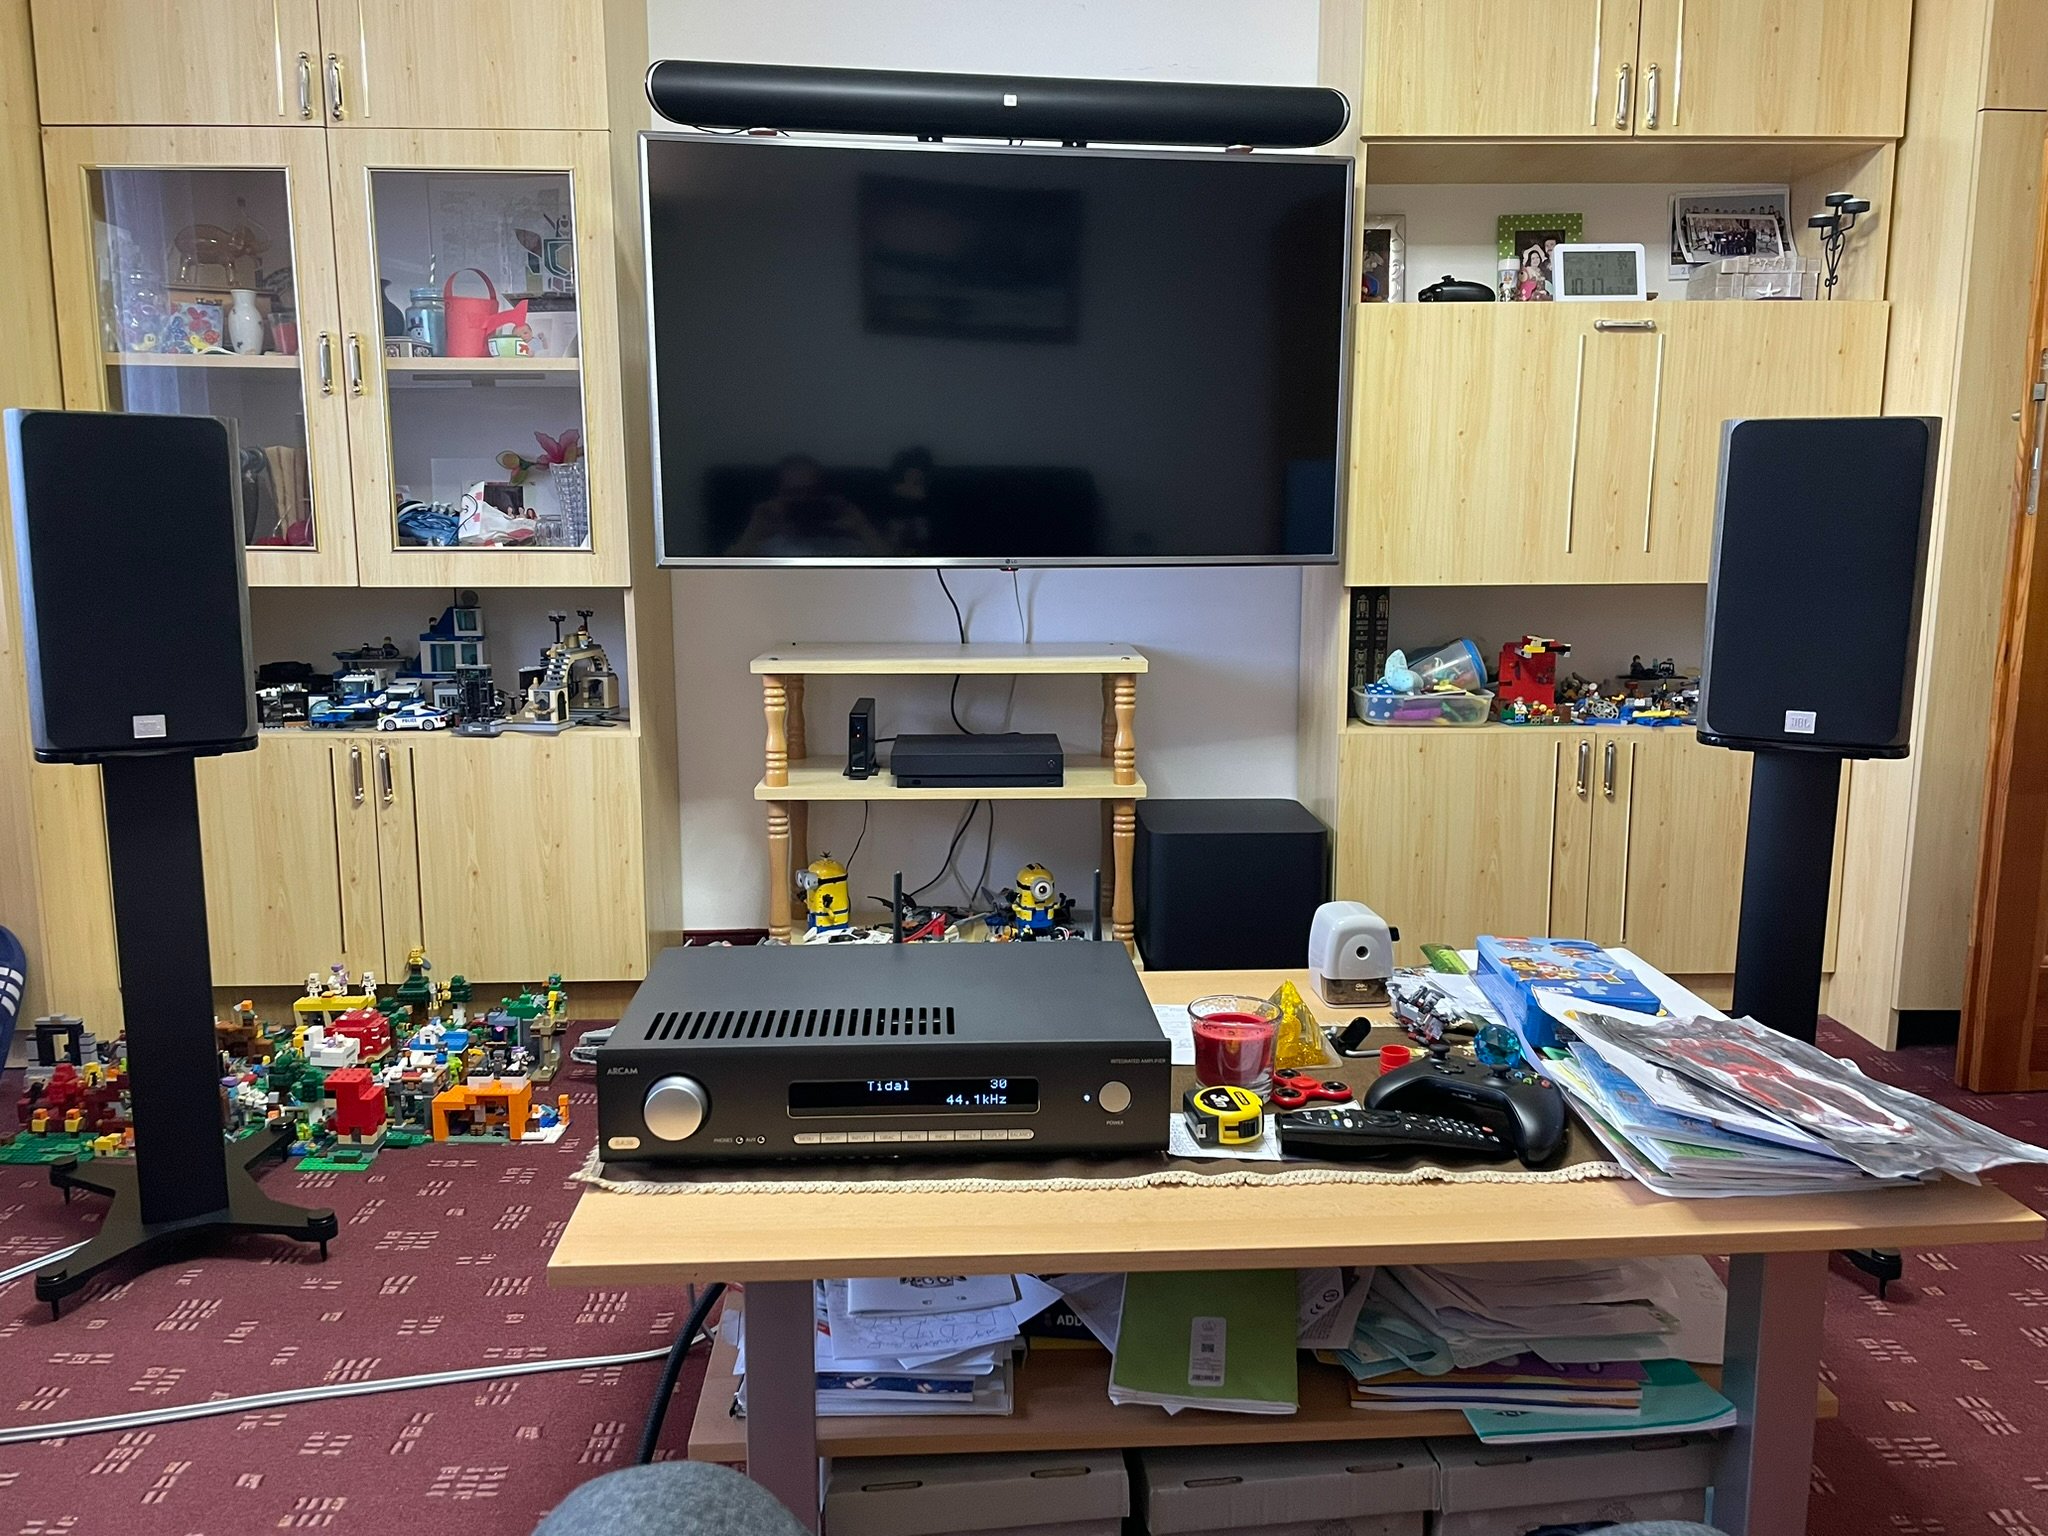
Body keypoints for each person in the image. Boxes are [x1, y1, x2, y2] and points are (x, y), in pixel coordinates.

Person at [728, 454, 889, 558]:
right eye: (794, 493)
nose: (804, 500)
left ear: (825, 494)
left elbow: (894, 575)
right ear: (779, 497)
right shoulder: (763, 549)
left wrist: (861, 526)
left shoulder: (850, 547)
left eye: (811, 492)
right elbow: (724, 580)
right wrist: (755, 529)